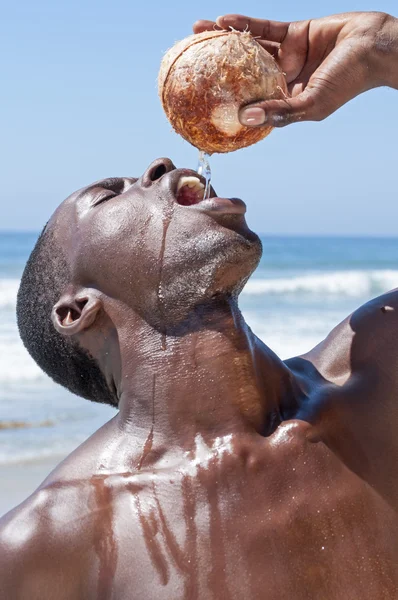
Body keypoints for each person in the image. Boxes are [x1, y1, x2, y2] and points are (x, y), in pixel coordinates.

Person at [0, 10, 397, 600]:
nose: (158, 165)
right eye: (108, 195)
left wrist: (386, 50)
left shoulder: (379, 367)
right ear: (76, 308)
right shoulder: (46, 546)